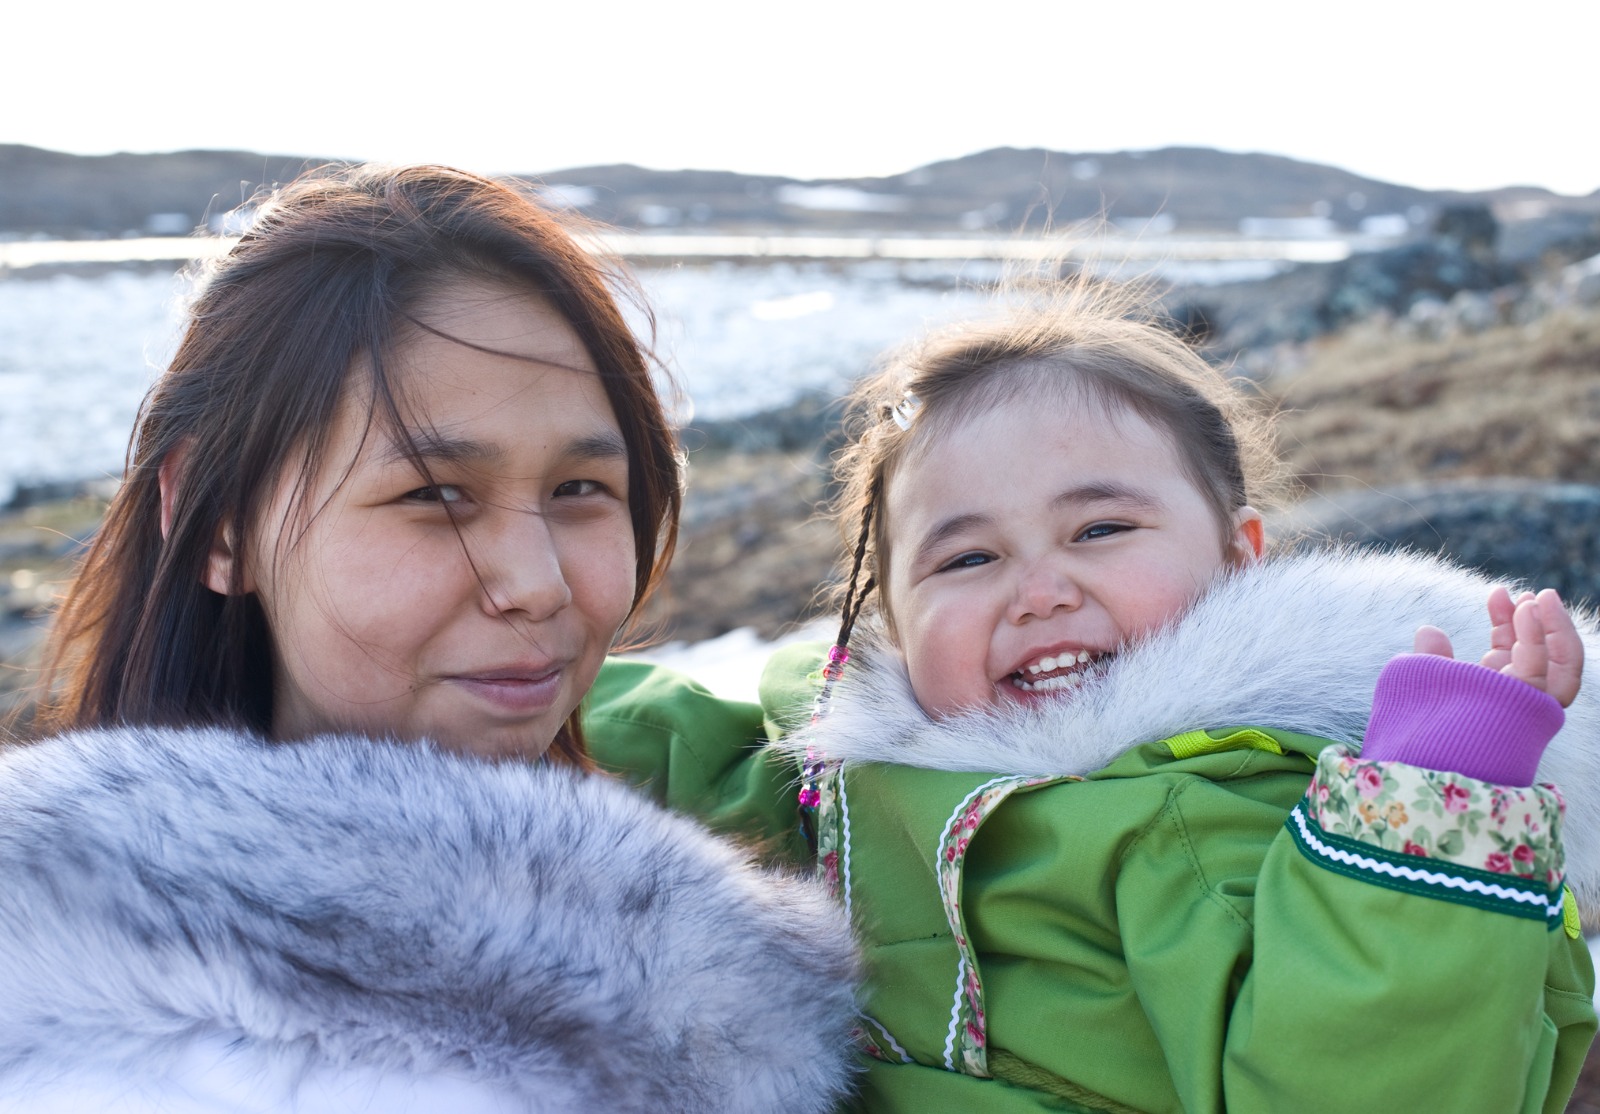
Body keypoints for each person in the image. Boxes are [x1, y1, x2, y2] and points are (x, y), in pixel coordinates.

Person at [0, 164, 857, 1113]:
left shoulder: (799, 816)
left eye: (580, 489)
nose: (539, 583)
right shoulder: (95, 1044)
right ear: (219, 527)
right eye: (434, 496)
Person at [764, 279, 1600, 1112]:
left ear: (1239, 559)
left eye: (1100, 530)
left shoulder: (1245, 806)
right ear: (894, 624)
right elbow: (658, 749)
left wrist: (1426, 821)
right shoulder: (817, 771)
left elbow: (1372, 1085)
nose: (1040, 592)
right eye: (968, 559)